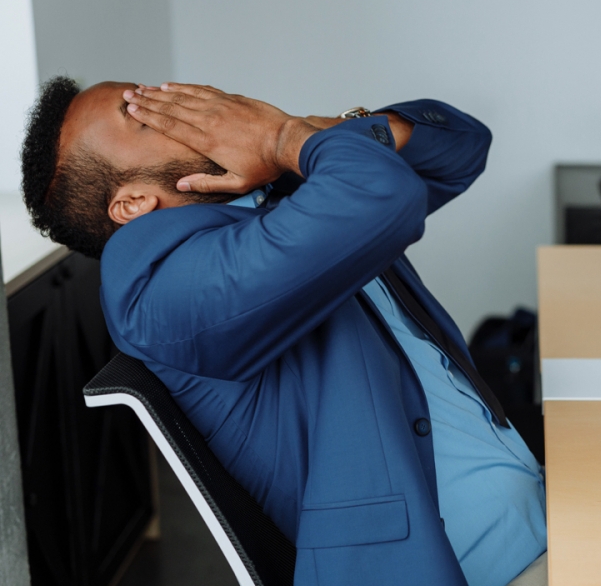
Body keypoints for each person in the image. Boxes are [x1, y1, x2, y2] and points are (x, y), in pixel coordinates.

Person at [20, 77, 548, 586]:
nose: (168, 102)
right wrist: (279, 137)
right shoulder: (152, 283)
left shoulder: (274, 194)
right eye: (137, 116)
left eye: (149, 92)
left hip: (544, 508)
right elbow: (384, 192)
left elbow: (460, 145)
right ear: (132, 203)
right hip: (478, 567)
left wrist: (294, 134)